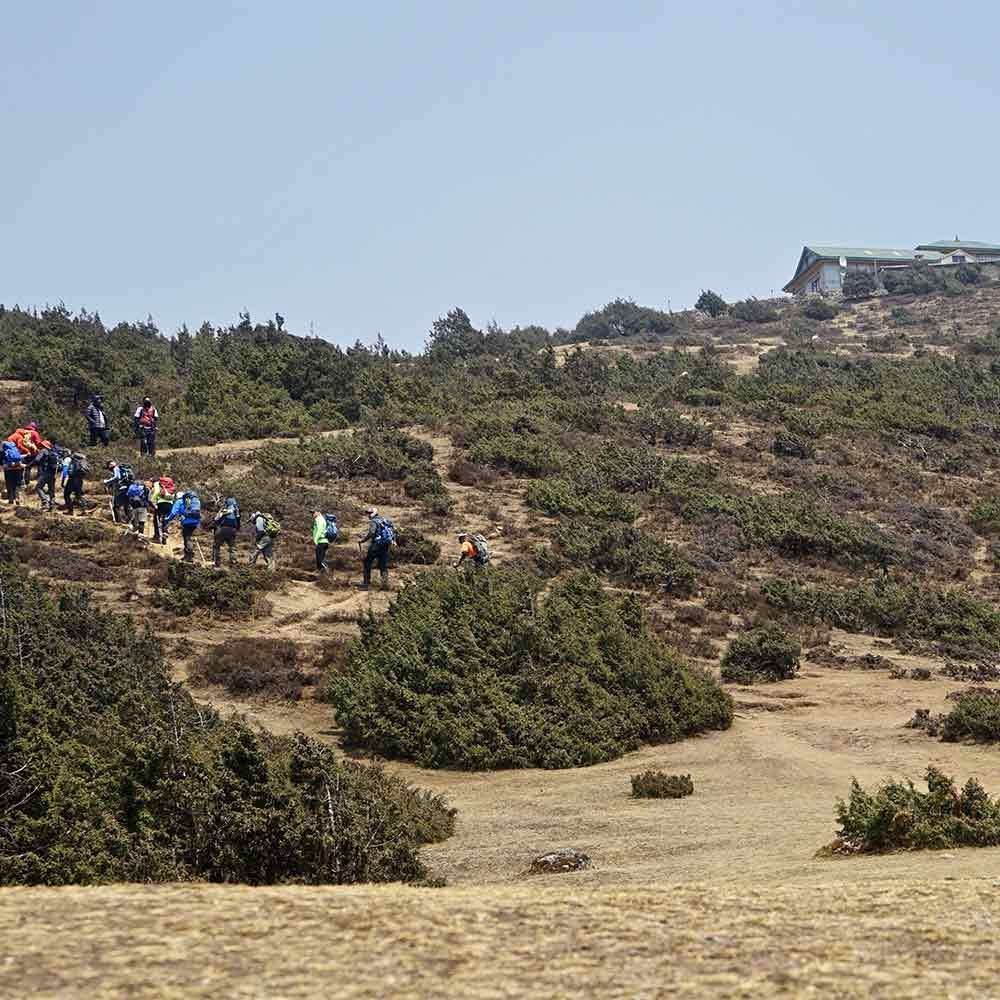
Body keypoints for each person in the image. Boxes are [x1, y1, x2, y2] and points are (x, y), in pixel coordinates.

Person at [358, 506, 394, 590]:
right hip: (385, 545)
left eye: (369, 513)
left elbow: (372, 532)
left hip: (376, 545)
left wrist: (363, 540)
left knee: (367, 562)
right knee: (383, 565)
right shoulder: (383, 520)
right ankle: (385, 584)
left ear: (373, 513)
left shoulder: (374, 521)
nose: (368, 515)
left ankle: (366, 583)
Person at [163, 490, 202, 562]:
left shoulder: (179, 501)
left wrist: (167, 519)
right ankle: (187, 556)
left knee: (187, 538)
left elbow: (174, 512)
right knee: (188, 537)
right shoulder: (194, 501)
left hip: (187, 522)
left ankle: (189, 557)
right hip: (196, 522)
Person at [212, 496, 241, 568]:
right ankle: (233, 563)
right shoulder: (236, 510)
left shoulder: (224, 510)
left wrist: (214, 526)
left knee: (216, 546)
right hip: (233, 530)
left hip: (223, 529)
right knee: (232, 547)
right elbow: (238, 522)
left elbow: (216, 519)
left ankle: (217, 564)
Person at [103, 460, 134, 524]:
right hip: (127, 489)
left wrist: (106, 482)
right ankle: (130, 521)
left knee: (116, 506)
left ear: (110, 465)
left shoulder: (116, 468)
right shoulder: (123, 469)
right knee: (127, 505)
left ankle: (118, 522)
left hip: (120, 490)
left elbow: (117, 477)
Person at [34, 440, 62, 512]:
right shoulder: (54, 452)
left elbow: (37, 460)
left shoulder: (43, 450)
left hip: (46, 473)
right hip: (53, 474)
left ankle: (44, 501)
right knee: (51, 490)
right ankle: (52, 506)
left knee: (38, 487)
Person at [149, 475, 176, 545]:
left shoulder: (159, 487)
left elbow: (153, 498)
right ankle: (165, 533)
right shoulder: (171, 489)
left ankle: (157, 536)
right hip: (169, 505)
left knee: (156, 519)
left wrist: (153, 504)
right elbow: (173, 498)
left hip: (160, 504)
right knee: (165, 520)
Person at [2, 440, 26, 505]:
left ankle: (11, 500)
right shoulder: (16, 450)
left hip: (8, 471)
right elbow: (21, 460)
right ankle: (18, 500)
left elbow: (2, 463)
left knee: (10, 485)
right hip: (18, 470)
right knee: (17, 485)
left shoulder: (3, 452)